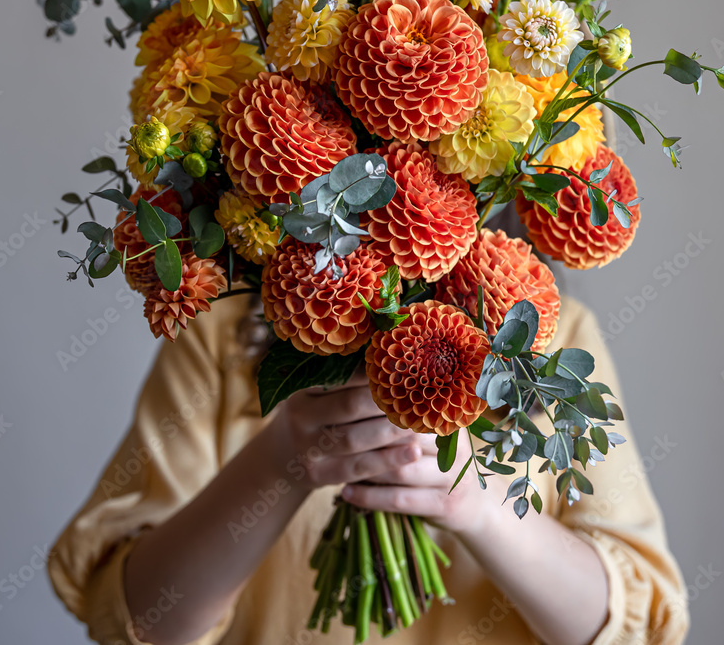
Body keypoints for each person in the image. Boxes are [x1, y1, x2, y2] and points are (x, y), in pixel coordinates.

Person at [49, 228, 689, 645]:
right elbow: (140, 620)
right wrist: (283, 462)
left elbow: (633, 627)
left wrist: (473, 503)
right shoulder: (220, 329)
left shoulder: (556, 341)